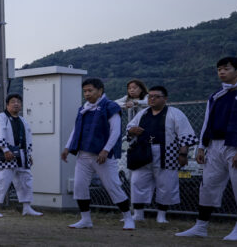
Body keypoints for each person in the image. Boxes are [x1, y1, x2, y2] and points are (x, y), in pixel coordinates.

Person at [176, 56, 237, 242]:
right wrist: (201, 146)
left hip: (236, 146)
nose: (221, 72)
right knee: (208, 186)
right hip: (214, 146)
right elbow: (207, 121)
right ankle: (201, 226)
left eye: (226, 68)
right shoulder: (215, 96)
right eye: (219, 69)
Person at [62, 77, 135, 230]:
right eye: (85, 91)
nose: (87, 94)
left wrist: (106, 149)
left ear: (100, 90)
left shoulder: (110, 106)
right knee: (79, 186)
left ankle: (128, 218)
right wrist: (67, 147)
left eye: (90, 90)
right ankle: (85, 219)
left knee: (113, 186)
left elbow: (115, 131)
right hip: (83, 154)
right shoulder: (83, 108)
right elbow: (76, 130)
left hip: (103, 156)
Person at [126, 85, 197, 224]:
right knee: (137, 182)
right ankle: (138, 214)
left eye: (156, 96)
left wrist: (183, 154)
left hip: (167, 152)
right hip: (143, 152)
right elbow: (129, 128)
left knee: (166, 183)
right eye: (150, 96)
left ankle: (161, 215)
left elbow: (184, 134)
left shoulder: (175, 113)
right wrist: (132, 131)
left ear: (165, 99)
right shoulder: (143, 113)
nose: (152, 99)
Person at [0, 93, 42, 218]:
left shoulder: (23, 120)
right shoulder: (1, 117)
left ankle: (27, 207)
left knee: (26, 180)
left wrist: (29, 154)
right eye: (13, 102)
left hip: (22, 155)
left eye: (18, 101)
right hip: (7, 153)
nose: (16, 104)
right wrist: (5, 150)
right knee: (3, 180)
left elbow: (28, 138)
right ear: (7, 105)